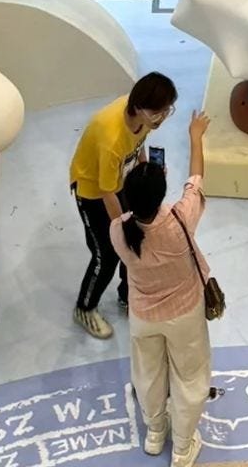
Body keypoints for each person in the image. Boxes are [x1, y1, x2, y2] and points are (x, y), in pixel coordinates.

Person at [113, 111, 214, 466]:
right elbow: (197, 180)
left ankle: (156, 432)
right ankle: (184, 447)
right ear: (161, 193)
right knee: (190, 375)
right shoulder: (179, 219)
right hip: (184, 313)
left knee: (149, 373)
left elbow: (133, 215)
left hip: (143, 315)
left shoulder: (119, 230)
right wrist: (196, 136)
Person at [70, 71, 178, 338]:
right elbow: (108, 192)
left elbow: (138, 143)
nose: (161, 119)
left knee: (134, 242)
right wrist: (123, 226)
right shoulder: (110, 138)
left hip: (120, 179)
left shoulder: (140, 120)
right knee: (106, 253)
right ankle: (85, 307)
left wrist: (144, 170)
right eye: (157, 114)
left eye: (166, 111)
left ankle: (126, 294)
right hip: (93, 190)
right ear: (139, 108)